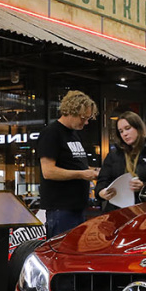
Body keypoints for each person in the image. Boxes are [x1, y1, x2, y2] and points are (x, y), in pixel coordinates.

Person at [38, 90, 99, 237]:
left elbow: (75, 165)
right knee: (62, 249)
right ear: (72, 111)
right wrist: (82, 174)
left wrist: (94, 171)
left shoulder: (74, 134)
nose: (86, 122)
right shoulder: (52, 133)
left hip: (77, 207)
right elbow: (48, 171)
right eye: (83, 118)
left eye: (88, 118)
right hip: (61, 208)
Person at [96, 111, 146, 211]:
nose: (125, 134)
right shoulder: (113, 156)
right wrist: (102, 193)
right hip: (116, 211)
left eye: (128, 128)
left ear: (138, 128)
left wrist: (144, 187)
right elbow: (101, 183)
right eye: (121, 131)